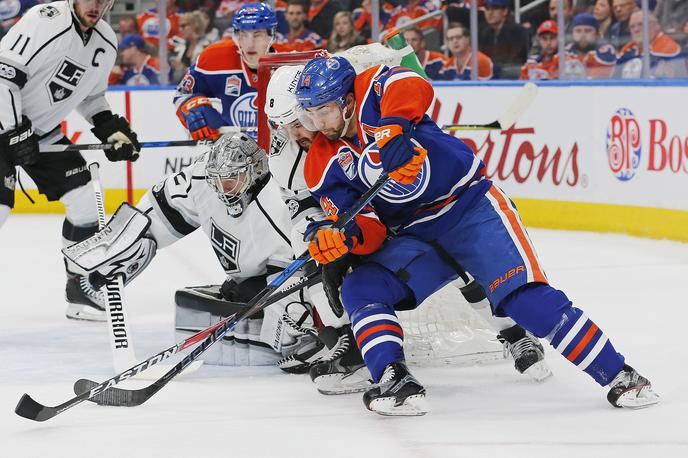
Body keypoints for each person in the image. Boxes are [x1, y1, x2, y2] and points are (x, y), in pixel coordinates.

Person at [294, 55, 658, 415]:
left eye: (322, 110)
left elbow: (412, 83)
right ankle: (395, 378)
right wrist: (342, 237)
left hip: (471, 209)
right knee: (361, 288)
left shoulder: (373, 88)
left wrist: (392, 128)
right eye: (308, 114)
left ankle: (621, 375)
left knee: (526, 302)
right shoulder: (320, 162)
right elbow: (368, 228)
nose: (316, 123)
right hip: (417, 236)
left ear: (347, 100)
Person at [265, 63, 551, 392]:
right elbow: (301, 211)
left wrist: (396, 126)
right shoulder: (287, 158)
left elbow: (400, 92)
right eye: (285, 126)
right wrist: (322, 240)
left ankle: (513, 333)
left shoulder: (350, 116)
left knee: (458, 263)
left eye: (298, 121)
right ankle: (350, 341)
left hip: (398, 212)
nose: (297, 133)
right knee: (338, 276)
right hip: (352, 220)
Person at [63, 133, 322, 366]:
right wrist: (112, 264)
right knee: (210, 300)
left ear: (254, 173)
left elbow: (298, 275)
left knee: (287, 315)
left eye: (231, 181)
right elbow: (154, 217)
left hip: (282, 277)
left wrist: (291, 326)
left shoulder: (279, 205)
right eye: (217, 181)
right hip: (245, 278)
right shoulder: (201, 179)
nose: (223, 190)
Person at [0, 0, 140, 320]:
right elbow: (3, 78)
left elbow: (91, 96)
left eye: (105, 0)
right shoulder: (44, 19)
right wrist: (12, 132)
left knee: (85, 200)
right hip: (2, 121)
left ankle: (80, 290)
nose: (97, 5)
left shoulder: (105, 39)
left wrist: (108, 128)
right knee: (0, 207)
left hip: (39, 131)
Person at [173, 2, 277, 141]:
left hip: (277, 152)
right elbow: (182, 93)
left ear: (271, 35)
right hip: (231, 152)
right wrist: (192, 107)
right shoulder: (213, 57)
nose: (250, 44)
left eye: (257, 35)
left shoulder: (289, 64)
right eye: (243, 34)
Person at [614, 10, 686, 78]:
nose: (636, 29)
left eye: (640, 24)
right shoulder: (630, 47)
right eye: (632, 27)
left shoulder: (666, 45)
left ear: (655, 26)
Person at [479, 0, 529, 79]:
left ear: (505, 11)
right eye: (487, 8)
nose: (490, 13)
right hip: (493, 74)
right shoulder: (485, 33)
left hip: (513, 74)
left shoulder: (517, 31)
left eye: (495, 8)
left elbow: (518, 58)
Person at [562, 12, 616, 79]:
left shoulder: (606, 52)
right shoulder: (564, 53)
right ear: (572, 34)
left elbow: (593, 84)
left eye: (587, 31)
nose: (583, 35)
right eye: (578, 31)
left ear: (597, 34)